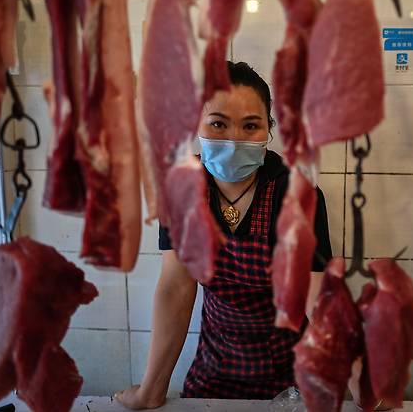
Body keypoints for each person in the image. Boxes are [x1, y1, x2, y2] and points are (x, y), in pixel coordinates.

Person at [115, 61, 332, 408]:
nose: (234, 140)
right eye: (218, 123)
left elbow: (319, 299)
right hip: (214, 368)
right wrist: (149, 391)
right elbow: (175, 287)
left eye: (250, 126)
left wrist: (363, 388)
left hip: (292, 374)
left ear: (268, 130)